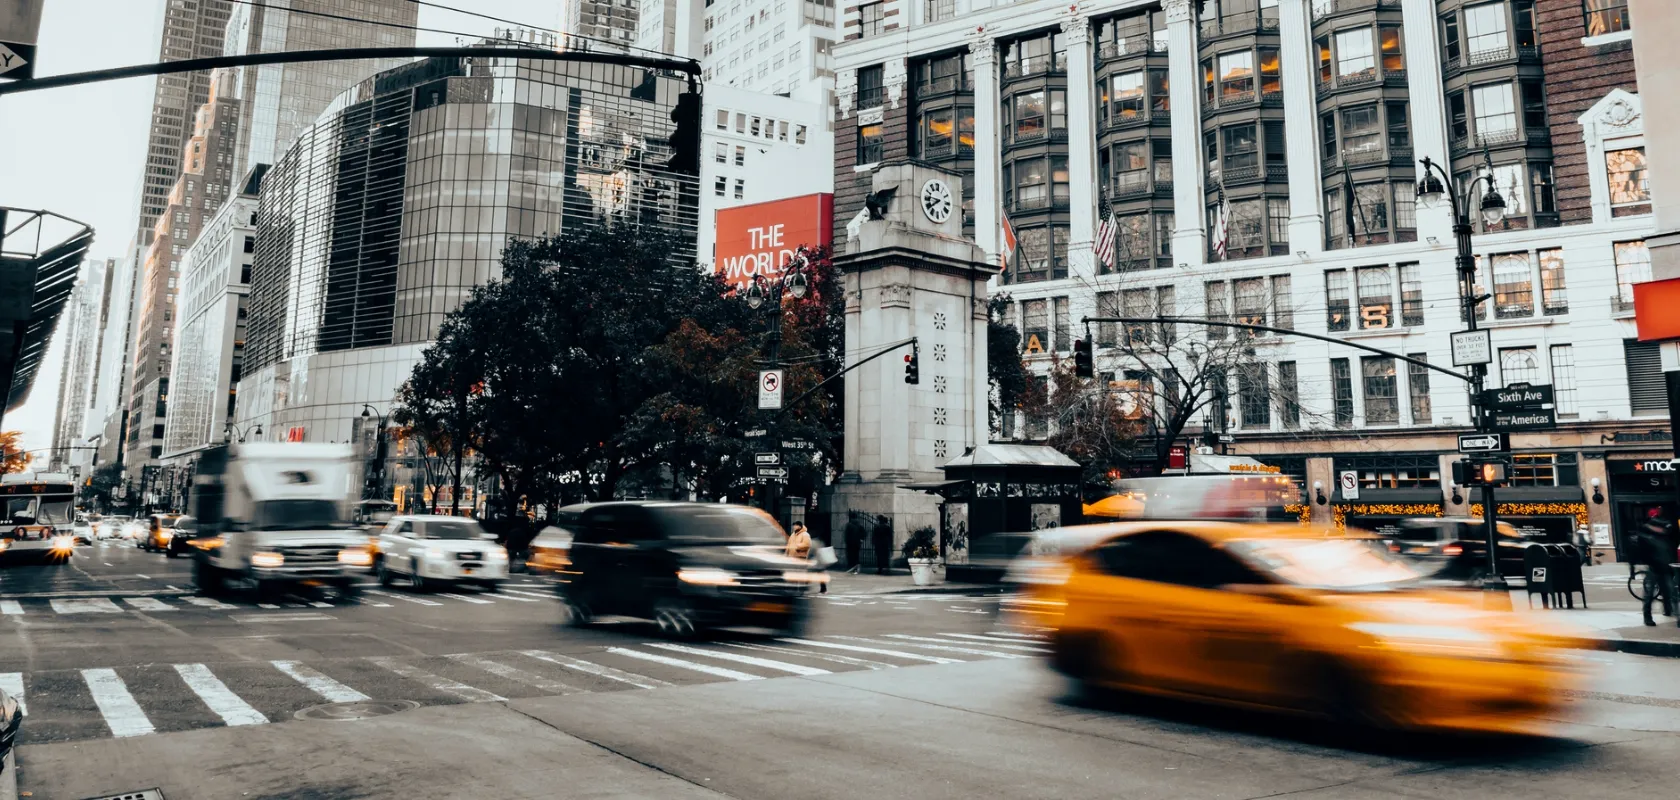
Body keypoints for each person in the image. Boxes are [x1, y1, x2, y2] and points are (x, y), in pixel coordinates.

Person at [1632, 511, 1679, 627]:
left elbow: (1669, 552)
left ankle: (1669, 611)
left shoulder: (1663, 538)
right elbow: (1641, 553)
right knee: (1650, 595)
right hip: (1653, 570)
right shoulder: (1646, 538)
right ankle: (1647, 617)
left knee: (1669, 592)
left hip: (1664, 569)